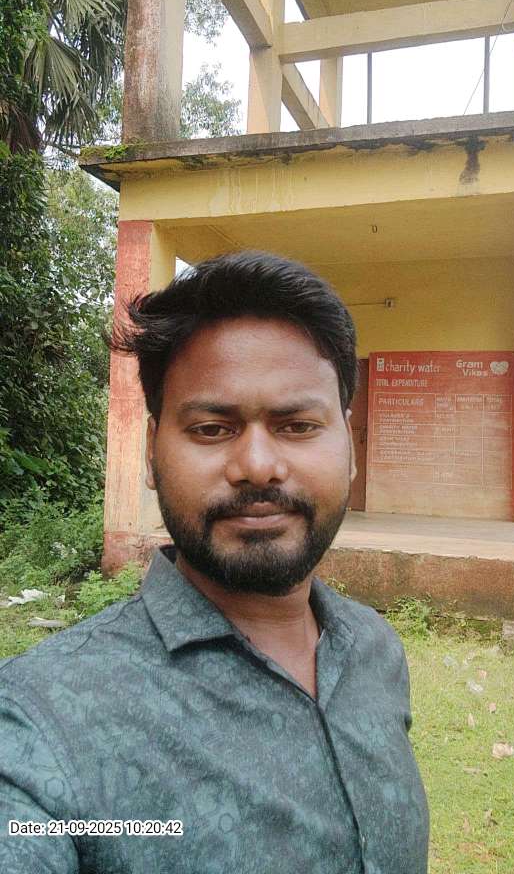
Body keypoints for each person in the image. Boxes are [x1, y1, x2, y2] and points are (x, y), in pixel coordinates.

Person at [0, 250, 429, 873]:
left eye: (298, 425)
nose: (257, 466)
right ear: (152, 451)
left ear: (349, 446)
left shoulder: (374, 649)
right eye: (211, 428)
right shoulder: (41, 718)